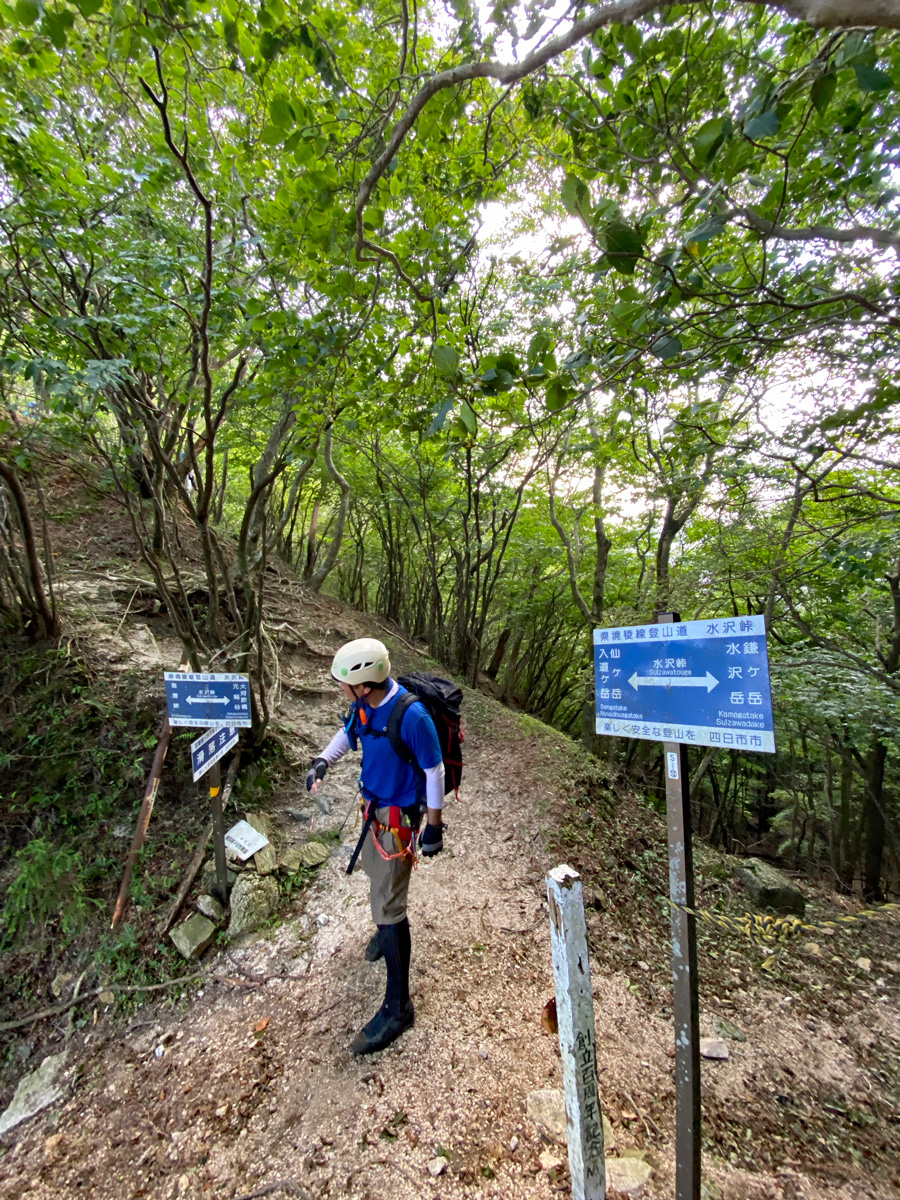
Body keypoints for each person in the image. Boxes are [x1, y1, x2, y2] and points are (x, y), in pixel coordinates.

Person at [306, 637, 445, 1054]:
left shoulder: (412, 716)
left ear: (364, 684)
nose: (341, 689)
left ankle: (398, 1008)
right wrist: (323, 761)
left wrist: (434, 827)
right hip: (373, 812)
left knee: (389, 905)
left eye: (344, 684)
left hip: (397, 821)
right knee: (376, 877)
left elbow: (434, 771)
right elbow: (349, 732)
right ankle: (385, 933)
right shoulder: (366, 705)